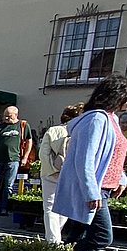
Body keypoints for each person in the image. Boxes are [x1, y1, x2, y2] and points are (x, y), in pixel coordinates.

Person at [57, 76, 127, 251]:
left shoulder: (112, 119)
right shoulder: (96, 119)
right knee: (102, 236)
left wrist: (120, 178)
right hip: (94, 189)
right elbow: (84, 158)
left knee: (75, 236)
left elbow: (113, 154)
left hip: (104, 188)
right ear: (117, 95)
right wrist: (91, 192)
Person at [39, 104, 83, 243]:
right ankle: (56, 234)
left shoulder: (53, 130)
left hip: (51, 172)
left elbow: (43, 153)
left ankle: (53, 240)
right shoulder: (81, 131)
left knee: (49, 206)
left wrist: (51, 169)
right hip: (72, 172)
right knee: (65, 206)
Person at [0, 105, 35, 215]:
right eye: (5, 116)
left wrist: (25, 157)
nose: (6, 118)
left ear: (16, 115)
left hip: (13, 159)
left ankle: (4, 208)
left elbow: (29, 141)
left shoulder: (23, 125)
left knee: (9, 185)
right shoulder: (0, 127)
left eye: (9, 116)